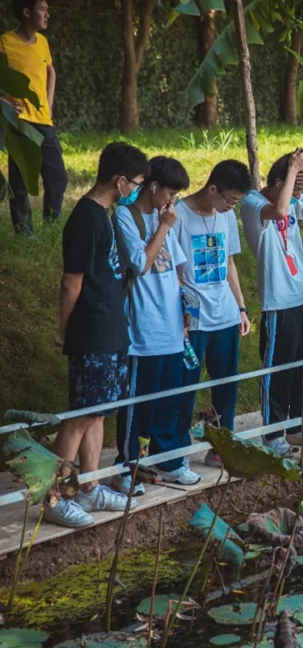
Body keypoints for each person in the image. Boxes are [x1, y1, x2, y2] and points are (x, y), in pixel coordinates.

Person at [48, 142, 147, 528]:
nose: (137, 190)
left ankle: (89, 487)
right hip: (90, 331)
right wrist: (66, 329)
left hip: (111, 329)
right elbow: (71, 283)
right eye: (136, 183)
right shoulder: (86, 219)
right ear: (120, 181)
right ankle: (53, 497)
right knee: (80, 415)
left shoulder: (106, 214)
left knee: (100, 411)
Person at [241, 149, 303, 453]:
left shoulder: (293, 199)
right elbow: (280, 212)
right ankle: (272, 433)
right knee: (277, 370)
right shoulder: (253, 203)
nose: (298, 194)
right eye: (294, 185)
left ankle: (298, 427)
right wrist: (294, 171)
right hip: (277, 301)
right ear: (278, 181)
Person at [113, 156, 199, 494]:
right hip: (142, 329)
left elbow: (177, 265)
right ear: (153, 186)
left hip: (171, 326)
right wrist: (163, 227)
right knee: (134, 404)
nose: (172, 201)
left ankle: (169, 461)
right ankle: (127, 467)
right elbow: (140, 264)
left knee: (169, 400)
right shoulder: (126, 216)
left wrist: (185, 312)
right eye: (170, 193)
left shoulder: (167, 217)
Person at [175, 160, 253, 467]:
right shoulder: (179, 215)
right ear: (213, 189)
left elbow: (229, 263)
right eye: (230, 199)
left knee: (226, 382)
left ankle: (222, 445)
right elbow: (178, 272)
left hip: (226, 313)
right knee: (186, 383)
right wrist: (180, 314)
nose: (232, 206)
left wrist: (242, 306)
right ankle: (177, 450)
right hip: (193, 317)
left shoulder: (227, 215)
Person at [1, 0, 67, 236]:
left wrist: (48, 107)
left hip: (43, 121)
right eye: (42, 9)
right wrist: (5, 102)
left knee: (57, 176)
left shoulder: (43, 42)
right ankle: (24, 231)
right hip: (18, 122)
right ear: (26, 13)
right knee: (20, 181)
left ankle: (52, 226)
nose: (47, 13)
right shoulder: (5, 42)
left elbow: (51, 72)